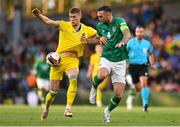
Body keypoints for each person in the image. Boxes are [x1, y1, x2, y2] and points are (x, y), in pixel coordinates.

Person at [32, 7, 97, 120]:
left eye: (74, 17)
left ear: (80, 17)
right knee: (53, 92)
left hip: (73, 60)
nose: (72, 19)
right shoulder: (64, 25)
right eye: (70, 17)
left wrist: (87, 40)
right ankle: (46, 108)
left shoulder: (87, 30)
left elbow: (98, 37)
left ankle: (68, 108)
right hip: (58, 60)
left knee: (73, 80)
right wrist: (39, 15)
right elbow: (49, 21)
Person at [89, 5, 131, 122]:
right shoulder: (99, 26)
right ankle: (94, 86)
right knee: (102, 74)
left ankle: (107, 111)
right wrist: (96, 39)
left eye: (101, 16)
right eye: (98, 16)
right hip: (106, 57)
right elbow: (98, 37)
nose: (99, 18)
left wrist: (122, 42)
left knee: (118, 95)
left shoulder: (120, 21)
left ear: (108, 15)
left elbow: (127, 34)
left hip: (120, 61)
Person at [126, 25, 155, 112]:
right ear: (135, 33)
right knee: (137, 88)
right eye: (138, 32)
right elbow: (124, 53)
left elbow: (150, 54)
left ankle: (145, 105)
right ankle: (130, 97)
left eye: (141, 32)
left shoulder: (147, 43)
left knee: (144, 84)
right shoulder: (130, 42)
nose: (139, 33)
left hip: (143, 66)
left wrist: (152, 64)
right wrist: (125, 62)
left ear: (143, 32)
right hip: (132, 66)